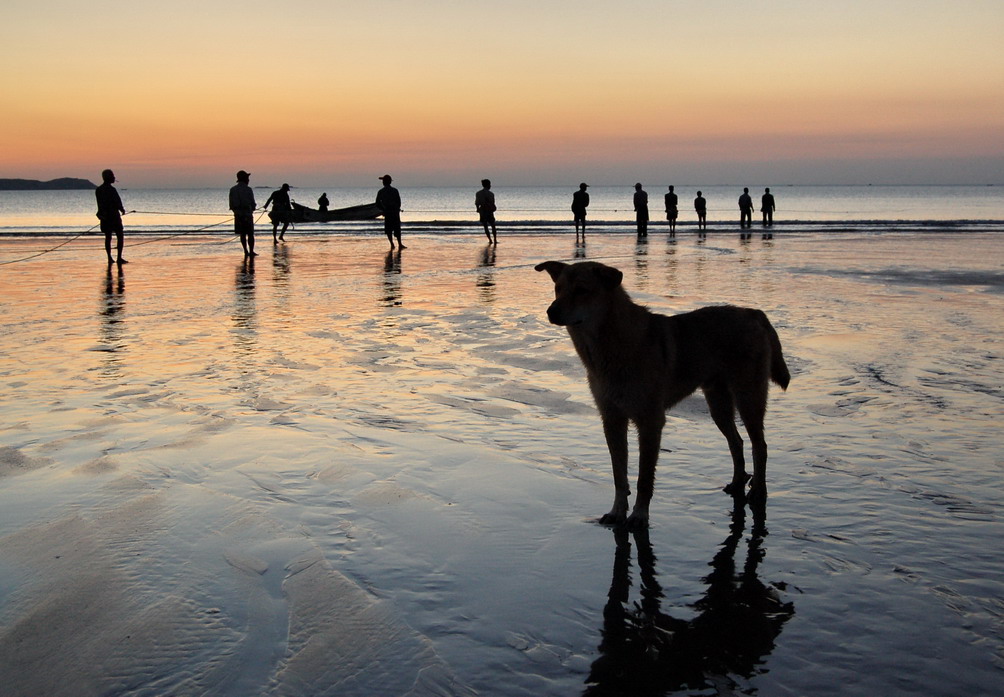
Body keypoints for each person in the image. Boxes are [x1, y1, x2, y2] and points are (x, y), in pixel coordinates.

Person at [95, 169, 127, 264]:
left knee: (108, 237)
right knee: (120, 236)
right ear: (108, 177)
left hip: (104, 217)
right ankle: (119, 258)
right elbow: (117, 202)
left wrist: (101, 214)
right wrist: (122, 209)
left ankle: (109, 258)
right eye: (112, 176)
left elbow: (100, 204)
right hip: (113, 217)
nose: (114, 177)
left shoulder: (98, 190)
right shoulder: (112, 190)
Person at [229, 170, 258, 257]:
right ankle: (251, 251)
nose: (248, 180)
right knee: (250, 234)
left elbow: (231, 204)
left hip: (238, 215)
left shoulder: (233, 189)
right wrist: (252, 208)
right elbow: (252, 203)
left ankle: (245, 251)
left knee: (242, 234)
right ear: (245, 179)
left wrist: (236, 212)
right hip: (247, 215)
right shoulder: (248, 189)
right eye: (247, 178)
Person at [376, 174, 404, 249]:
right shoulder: (395, 190)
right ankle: (400, 244)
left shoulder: (381, 192)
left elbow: (377, 203)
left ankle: (392, 244)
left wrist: (383, 209)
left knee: (389, 229)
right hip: (395, 212)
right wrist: (397, 208)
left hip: (388, 212)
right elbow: (399, 202)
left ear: (384, 182)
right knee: (397, 228)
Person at [475, 179, 498, 244]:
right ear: (488, 185)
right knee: (493, 225)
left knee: (485, 226)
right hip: (490, 211)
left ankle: (490, 240)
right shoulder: (491, 194)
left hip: (483, 211)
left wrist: (477, 209)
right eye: (490, 184)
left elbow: (477, 203)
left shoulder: (478, 193)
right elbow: (493, 203)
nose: (490, 186)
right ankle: (495, 239)